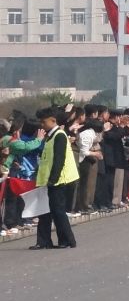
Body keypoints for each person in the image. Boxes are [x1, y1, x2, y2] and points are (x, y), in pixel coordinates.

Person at [31, 107, 79, 250]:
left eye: (44, 121)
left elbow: (59, 160)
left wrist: (53, 179)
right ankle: (44, 241)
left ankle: (67, 240)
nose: (42, 125)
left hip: (58, 180)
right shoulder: (50, 136)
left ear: (53, 120)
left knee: (58, 211)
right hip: (48, 180)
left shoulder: (59, 135)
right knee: (45, 211)